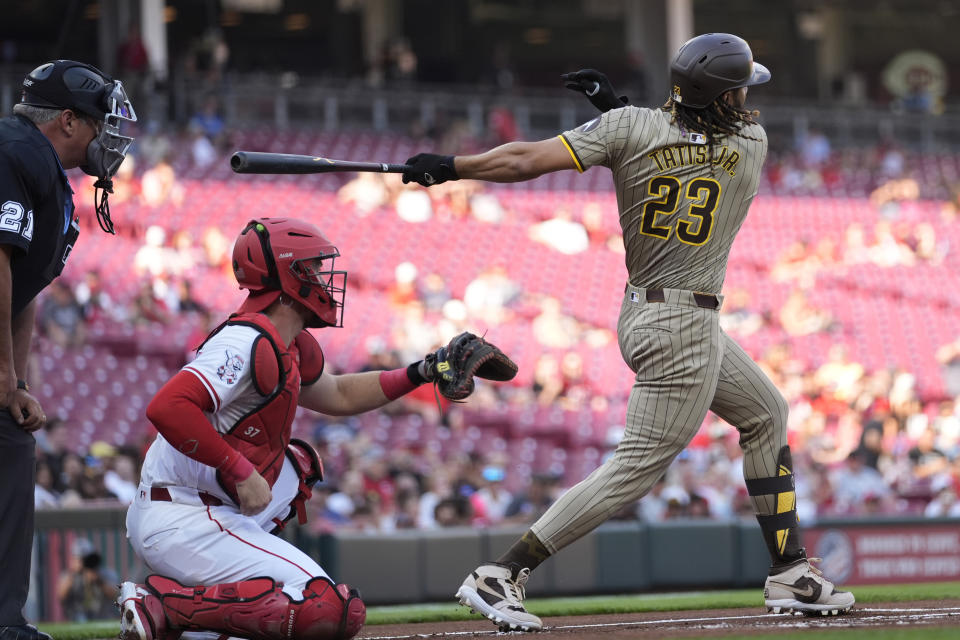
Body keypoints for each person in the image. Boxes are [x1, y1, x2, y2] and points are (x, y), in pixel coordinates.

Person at [401, 33, 854, 631]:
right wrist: (615, 109)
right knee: (634, 468)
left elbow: (522, 161)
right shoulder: (751, 143)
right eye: (740, 87)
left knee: (767, 411)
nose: (748, 98)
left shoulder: (630, 128)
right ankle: (502, 573)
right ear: (723, 97)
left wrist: (451, 167)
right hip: (686, 323)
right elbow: (687, 142)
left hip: (645, 312)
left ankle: (792, 571)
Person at [116, 218, 485, 640]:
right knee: (324, 609)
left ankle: (192, 624)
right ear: (290, 277)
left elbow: (341, 396)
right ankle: (163, 606)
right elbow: (167, 406)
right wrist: (238, 468)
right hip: (182, 514)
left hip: (208, 509)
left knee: (299, 466)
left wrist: (423, 370)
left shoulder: (287, 343)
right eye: (314, 268)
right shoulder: (244, 341)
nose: (325, 279)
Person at [0, 59, 136, 640]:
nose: (110, 137)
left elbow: (22, 290)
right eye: (99, 122)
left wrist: (18, 382)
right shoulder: (15, 150)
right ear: (66, 121)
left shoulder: (45, 171)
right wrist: (4, 375)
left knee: (11, 446)